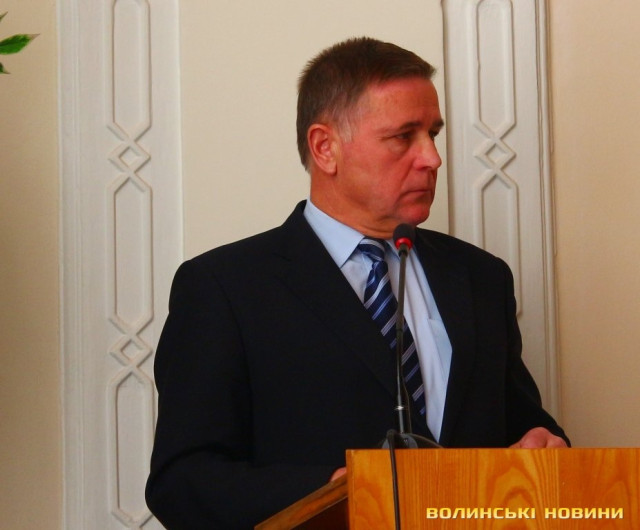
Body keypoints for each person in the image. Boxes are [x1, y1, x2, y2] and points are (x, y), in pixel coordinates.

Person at [145, 37, 569, 529]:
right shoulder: (224, 288)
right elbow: (183, 482)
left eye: (433, 133)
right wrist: (334, 490)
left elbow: (520, 424)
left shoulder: (480, 277)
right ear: (325, 148)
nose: (432, 158)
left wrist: (543, 442)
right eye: (404, 136)